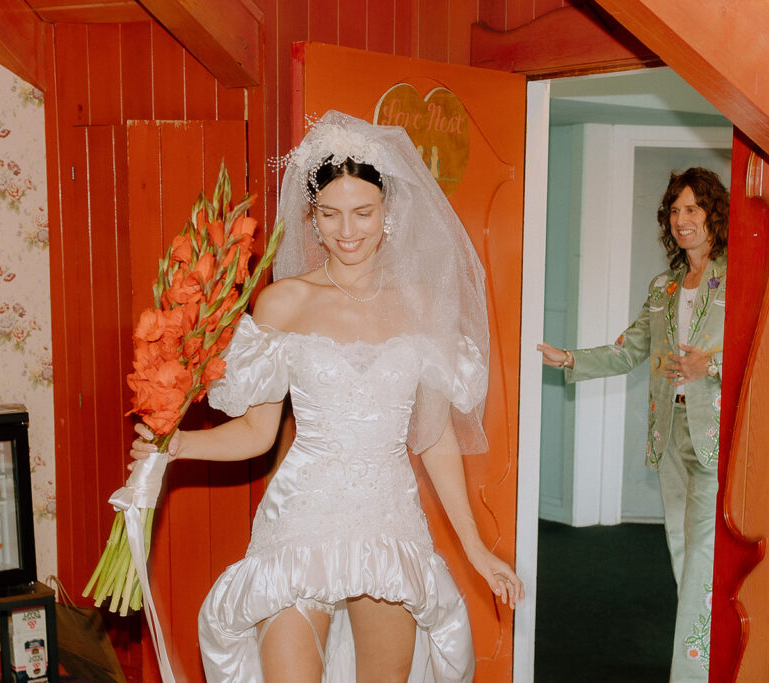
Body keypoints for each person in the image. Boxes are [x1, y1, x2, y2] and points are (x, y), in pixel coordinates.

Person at [131, 111, 522, 683]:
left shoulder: (420, 307)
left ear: (388, 211)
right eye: (330, 214)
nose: (348, 231)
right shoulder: (282, 303)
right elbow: (257, 433)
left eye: (363, 212)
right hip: (300, 519)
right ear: (310, 218)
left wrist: (476, 548)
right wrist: (175, 445)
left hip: (388, 522)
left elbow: (433, 433)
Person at [538, 167, 728, 681]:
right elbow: (630, 351)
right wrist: (568, 359)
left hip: (717, 437)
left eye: (693, 208)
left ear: (714, 213)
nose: (683, 219)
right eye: (675, 210)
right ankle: (707, 661)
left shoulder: (737, 275)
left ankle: (690, 674)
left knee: (704, 560)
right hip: (671, 434)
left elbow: (762, 352)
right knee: (683, 553)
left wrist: (708, 366)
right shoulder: (664, 287)